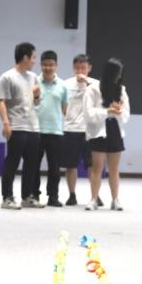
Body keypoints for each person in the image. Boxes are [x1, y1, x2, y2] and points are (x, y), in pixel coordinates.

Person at [0, 42, 42, 209]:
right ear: (25, 57)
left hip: (33, 126)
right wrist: (6, 123)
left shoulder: (34, 77)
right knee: (12, 162)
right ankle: (7, 197)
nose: (34, 61)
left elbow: (36, 104)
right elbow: (1, 102)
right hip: (16, 126)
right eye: (33, 57)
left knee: (31, 164)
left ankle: (27, 197)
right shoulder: (7, 77)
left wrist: (37, 95)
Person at [83, 58, 130, 211]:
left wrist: (118, 111)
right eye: (117, 73)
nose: (119, 77)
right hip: (98, 131)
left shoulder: (121, 90)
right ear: (110, 73)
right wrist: (107, 111)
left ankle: (115, 200)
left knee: (114, 169)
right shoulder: (93, 89)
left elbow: (126, 115)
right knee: (97, 167)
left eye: (121, 74)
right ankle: (93, 199)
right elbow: (88, 113)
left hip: (115, 129)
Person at [34, 51, 69, 207]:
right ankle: (34, 195)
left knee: (54, 168)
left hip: (55, 131)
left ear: (56, 66)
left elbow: (65, 108)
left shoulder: (63, 85)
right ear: (40, 65)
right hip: (36, 130)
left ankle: (53, 196)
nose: (48, 67)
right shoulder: (33, 82)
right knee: (33, 166)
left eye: (51, 64)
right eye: (45, 64)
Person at [61, 54, 97, 206]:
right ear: (73, 68)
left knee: (92, 165)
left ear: (89, 68)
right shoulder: (65, 84)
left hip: (90, 130)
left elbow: (101, 100)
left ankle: (95, 195)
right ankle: (72, 194)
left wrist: (87, 81)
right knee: (70, 165)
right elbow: (61, 104)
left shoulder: (95, 84)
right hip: (70, 129)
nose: (80, 71)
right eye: (77, 68)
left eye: (83, 68)